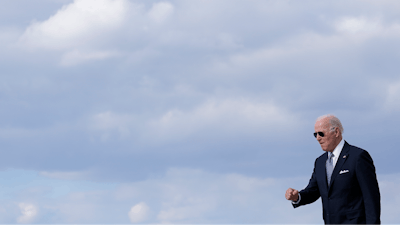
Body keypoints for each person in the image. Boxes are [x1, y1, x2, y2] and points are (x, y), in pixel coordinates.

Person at [285, 114, 380, 225]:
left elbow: (371, 198)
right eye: (315, 134)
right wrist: (297, 197)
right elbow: (313, 191)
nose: (318, 138)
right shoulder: (320, 162)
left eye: (321, 133)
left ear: (336, 132)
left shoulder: (358, 157)